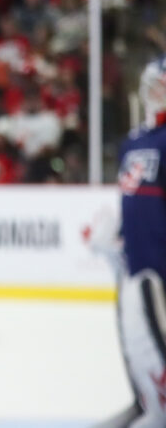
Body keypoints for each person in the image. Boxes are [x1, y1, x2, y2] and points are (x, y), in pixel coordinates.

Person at [100, 55, 166, 427]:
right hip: (134, 271)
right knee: (138, 347)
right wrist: (115, 240)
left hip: (160, 271)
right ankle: (144, 402)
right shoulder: (133, 142)